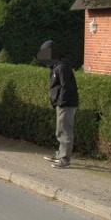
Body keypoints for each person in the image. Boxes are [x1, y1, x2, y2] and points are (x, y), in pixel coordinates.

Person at [39, 40, 79, 169]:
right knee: (60, 130)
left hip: (66, 103)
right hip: (62, 103)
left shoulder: (62, 67)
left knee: (65, 130)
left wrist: (60, 102)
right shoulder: (58, 66)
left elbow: (66, 87)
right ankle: (60, 154)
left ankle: (64, 159)